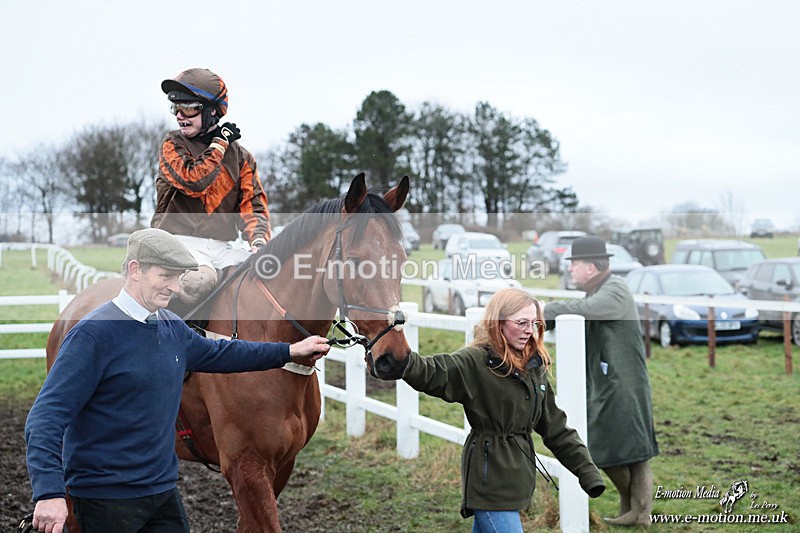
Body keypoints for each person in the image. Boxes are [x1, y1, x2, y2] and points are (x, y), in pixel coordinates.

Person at [25, 228, 330, 533]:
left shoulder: (171, 326)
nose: (175, 288)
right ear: (135, 270)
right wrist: (49, 493)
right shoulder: (92, 335)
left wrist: (289, 351)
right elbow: (44, 418)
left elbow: (224, 352)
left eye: (178, 277)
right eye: (166, 276)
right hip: (105, 496)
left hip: (161, 494)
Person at [382, 287, 605, 532]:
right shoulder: (475, 362)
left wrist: (587, 471)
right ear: (499, 322)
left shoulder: (533, 367)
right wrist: (399, 359)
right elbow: (432, 372)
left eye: (534, 323)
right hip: (488, 483)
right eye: (521, 323)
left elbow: (556, 429)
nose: (529, 330)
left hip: (518, 483)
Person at [542, 236, 659, 527]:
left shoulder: (614, 290)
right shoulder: (598, 291)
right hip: (612, 382)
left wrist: (545, 310)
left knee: (624, 449)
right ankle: (636, 511)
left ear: (591, 267)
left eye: (575, 265)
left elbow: (587, 312)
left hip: (624, 383)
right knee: (626, 447)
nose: (570, 270)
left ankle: (640, 511)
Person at [151, 67, 271, 305]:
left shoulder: (242, 158)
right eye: (176, 108)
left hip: (221, 247)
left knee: (268, 274)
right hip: (177, 243)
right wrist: (219, 144)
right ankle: (174, 338)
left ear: (213, 111)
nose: (180, 116)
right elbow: (194, 181)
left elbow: (253, 205)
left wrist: (258, 242)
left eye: (189, 108)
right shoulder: (172, 144)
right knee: (200, 281)